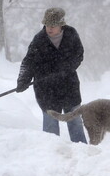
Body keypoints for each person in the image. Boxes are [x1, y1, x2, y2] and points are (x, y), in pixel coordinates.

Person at [17, 8, 87, 143]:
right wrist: (23, 80)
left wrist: (66, 68)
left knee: (74, 120)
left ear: (61, 25)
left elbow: (78, 54)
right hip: (46, 88)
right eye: (47, 25)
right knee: (50, 124)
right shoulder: (39, 40)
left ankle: (82, 150)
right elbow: (29, 61)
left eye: (53, 26)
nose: (49, 29)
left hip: (69, 86)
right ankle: (51, 152)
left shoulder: (71, 35)